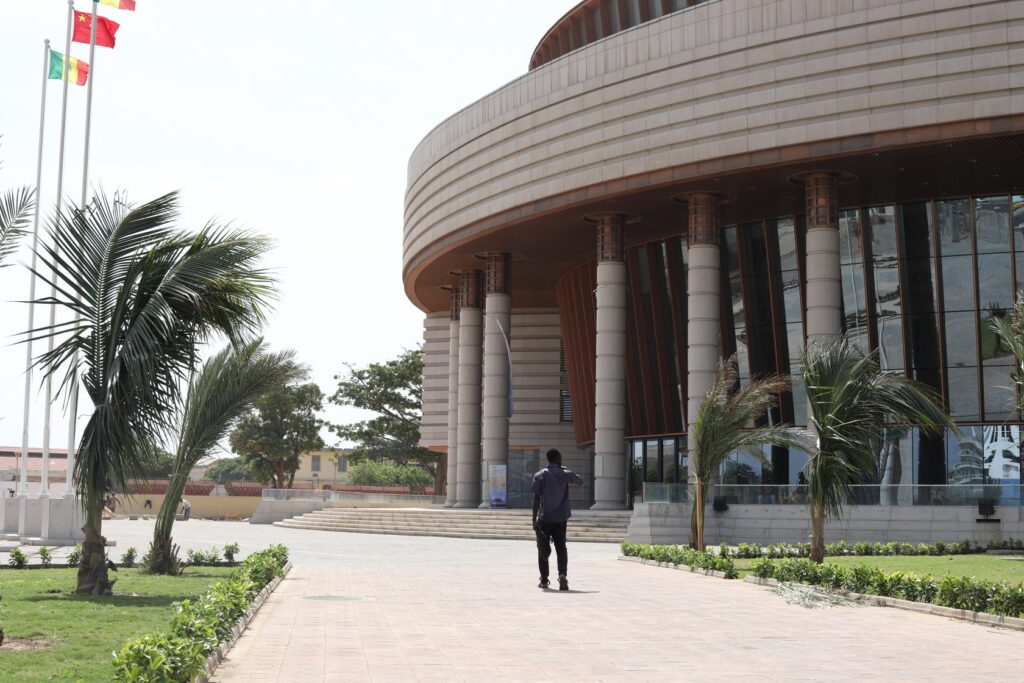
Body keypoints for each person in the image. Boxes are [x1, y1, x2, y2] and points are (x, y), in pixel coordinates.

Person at [532, 448, 584, 590]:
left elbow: (536, 499)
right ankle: (562, 575)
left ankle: (544, 580)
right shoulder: (564, 473)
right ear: (557, 459)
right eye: (560, 457)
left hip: (544, 518)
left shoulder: (540, 475)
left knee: (542, 548)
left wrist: (533, 520)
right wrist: (566, 472)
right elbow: (580, 481)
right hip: (560, 518)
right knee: (561, 548)